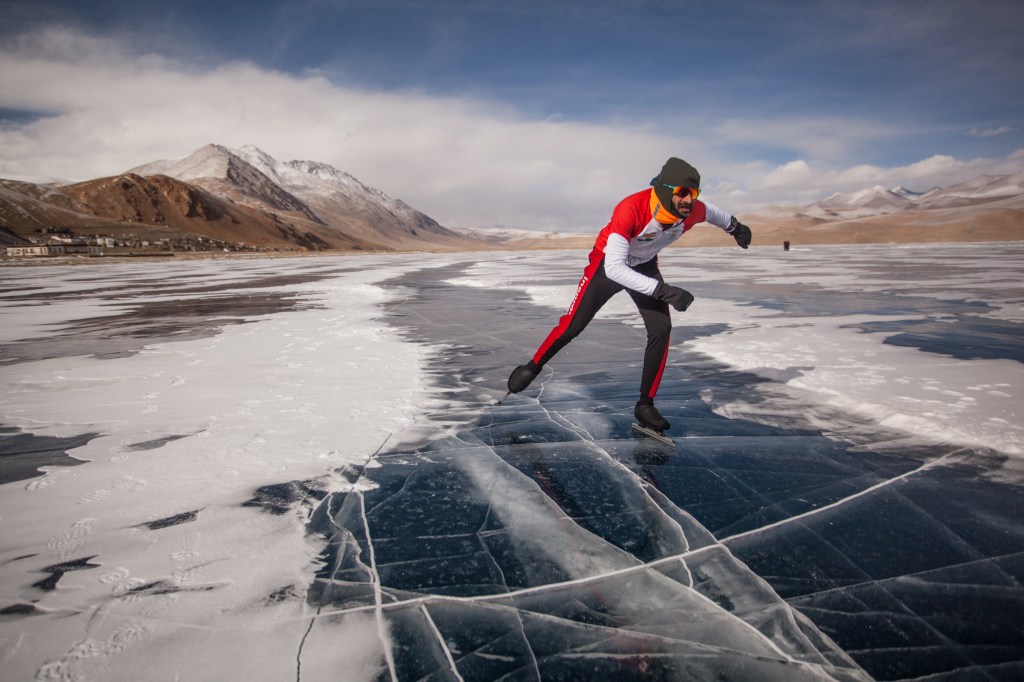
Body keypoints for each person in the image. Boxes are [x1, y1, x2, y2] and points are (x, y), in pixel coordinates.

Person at [505, 157, 752, 434]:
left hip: (645, 264)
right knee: (572, 326)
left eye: (693, 193)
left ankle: (645, 404)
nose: (688, 200)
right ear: (664, 190)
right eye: (682, 192)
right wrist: (664, 291)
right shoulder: (631, 208)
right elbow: (614, 269)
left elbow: (715, 214)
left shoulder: (692, 211)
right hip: (607, 265)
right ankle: (532, 367)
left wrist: (737, 229)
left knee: (661, 328)